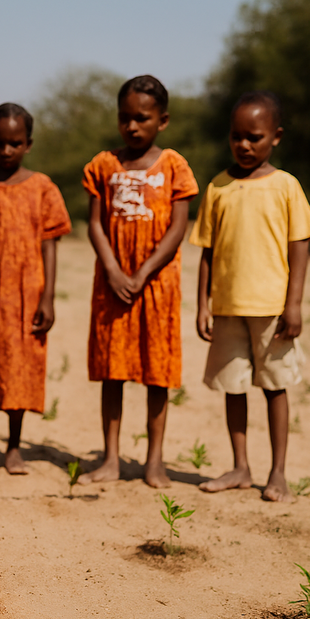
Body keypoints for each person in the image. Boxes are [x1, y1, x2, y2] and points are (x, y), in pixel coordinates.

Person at [190, 91, 310, 503]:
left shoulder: (286, 186)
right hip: (228, 307)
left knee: (275, 388)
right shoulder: (218, 187)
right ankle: (240, 466)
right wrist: (202, 304)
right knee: (234, 388)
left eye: (255, 137)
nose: (244, 145)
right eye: (236, 137)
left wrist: (294, 304)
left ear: (276, 137)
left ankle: (277, 472)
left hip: (272, 310)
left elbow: (300, 244)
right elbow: (207, 252)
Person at [77, 75, 199, 489]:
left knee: (156, 373)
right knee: (113, 371)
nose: (132, 126)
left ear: (162, 120)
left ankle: (154, 461)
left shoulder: (175, 166)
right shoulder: (103, 165)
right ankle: (110, 458)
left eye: (142, 118)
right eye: (125, 118)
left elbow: (178, 227)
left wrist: (143, 272)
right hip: (112, 284)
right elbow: (95, 223)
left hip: (157, 286)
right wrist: (113, 269)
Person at [0, 103, 71, 473]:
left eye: (15, 143)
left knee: (19, 367)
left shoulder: (43, 189)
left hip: (25, 297)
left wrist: (48, 297)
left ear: (28, 144)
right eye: (0, 143)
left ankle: (14, 448)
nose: (7, 150)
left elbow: (51, 244)